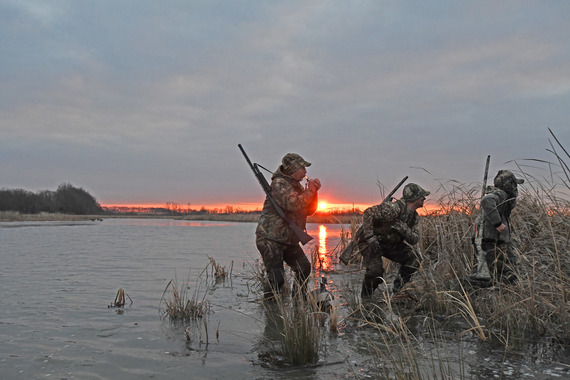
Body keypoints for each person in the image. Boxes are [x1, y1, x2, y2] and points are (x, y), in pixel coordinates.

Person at [255, 153, 321, 299]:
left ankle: (298, 300)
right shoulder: (279, 184)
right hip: (270, 238)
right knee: (276, 279)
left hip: (288, 239)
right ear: (293, 169)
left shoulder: (295, 185)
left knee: (304, 268)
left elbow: (308, 210)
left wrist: (314, 193)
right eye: (302, 167)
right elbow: (293, 204)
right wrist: (310, 190)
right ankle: (271, 312)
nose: (305, 171)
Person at [360, 183, 430, 298]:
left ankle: (398, 291)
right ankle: (365, 298)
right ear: (414, 198)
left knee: (414, 260)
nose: (424, 198)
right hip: (373, 243)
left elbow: (414, 239)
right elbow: (368, 213)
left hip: (391, 244)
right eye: (422, 196)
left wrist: (404, 229)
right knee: (376, 271)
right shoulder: (393, 208)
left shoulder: (415, 217)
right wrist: (370, 237)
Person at [476, 170, 523, 284]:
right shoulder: (501, 194)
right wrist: (498, 224)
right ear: (509, 185)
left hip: (499, 242)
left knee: (513, 266)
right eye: (514, 184)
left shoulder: (504, 197)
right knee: (500, 274)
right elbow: (487, 201)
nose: (516, 188)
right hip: (493, 243)